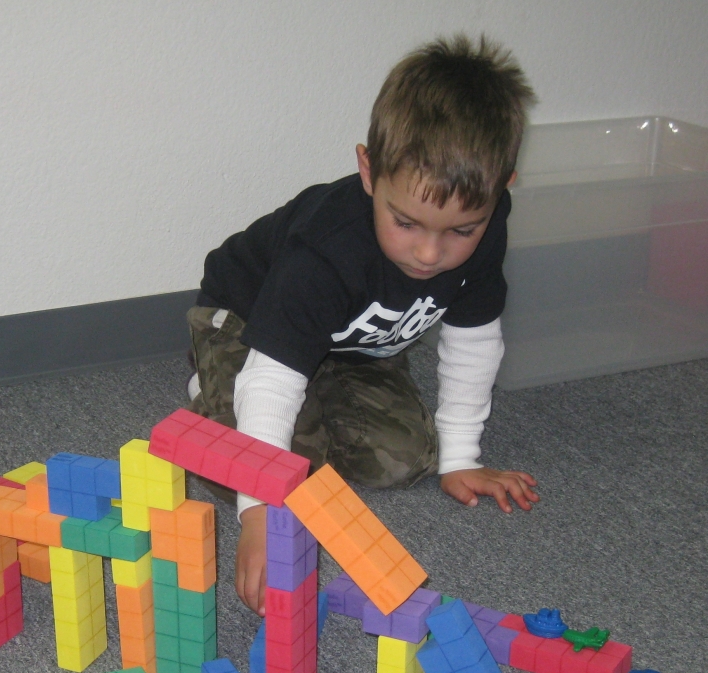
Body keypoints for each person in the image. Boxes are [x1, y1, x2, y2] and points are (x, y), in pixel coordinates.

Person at [186, 34, 540, 617]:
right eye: (407, 222)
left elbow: (475, 338)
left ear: (502, 188)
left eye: (460, 231)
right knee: (261, 465)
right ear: (369, 171)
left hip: (353, 347)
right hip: (249, 323)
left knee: (404, 460)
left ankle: (313, 392)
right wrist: (260, 514)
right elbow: (272, 381)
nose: (430, 254)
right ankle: (213, 381)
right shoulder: (325, 254)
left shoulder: (489, 224)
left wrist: (460, 457)